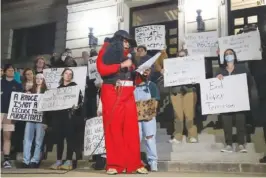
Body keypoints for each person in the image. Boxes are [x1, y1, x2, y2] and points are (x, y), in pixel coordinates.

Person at [96, 30, 148, 175]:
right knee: (114, 129)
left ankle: (134, 164)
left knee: (131, 129)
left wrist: (142, 75)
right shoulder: (106, 50)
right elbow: (102, 69)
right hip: (112, 91)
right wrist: (120, 66)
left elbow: (135, 79)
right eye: (125, 41)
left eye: (129, 42)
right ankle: (114, 164)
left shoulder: (131, 56)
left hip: (128, 92)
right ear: (118, 41)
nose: (127, 44)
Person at [216, 48, 252, 153]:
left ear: (234, 56)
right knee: (226, 123)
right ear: (224, 57)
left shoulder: (242, 68)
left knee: (240, 122)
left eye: (230, 53)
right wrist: (217, 78)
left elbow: (249, 82)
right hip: (225, 102)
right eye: (226, 54)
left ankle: (241, 144)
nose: (228, 55)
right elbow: (214, 85)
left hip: (239, 100)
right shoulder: (220, 70)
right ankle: (228, 144)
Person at [50, 68, 83, 170]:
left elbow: (80, 102)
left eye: (70, 74)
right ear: (62, 75)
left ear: (72, 77)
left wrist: (77, 106)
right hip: (59, 117)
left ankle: (68, 160)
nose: (68, 75)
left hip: (70, 117)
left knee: (70, 139)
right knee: (59, 139)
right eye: (66, 73)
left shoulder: (75, 87)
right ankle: (58, 160)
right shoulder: (58, 88)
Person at [134, 70, 160, 171]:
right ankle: (135, 162)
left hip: (149, 117)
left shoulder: (152, 85)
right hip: (135, 117)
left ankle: (153, 162)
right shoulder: (133, 87)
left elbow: (156, 101)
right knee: (136, 139)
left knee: (150, 138)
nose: (145, 73)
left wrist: (151, 113)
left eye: (147, 71)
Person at [22, 74, 48, 168]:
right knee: (27, 139)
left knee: (38, 140)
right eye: (37, 78)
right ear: (34, 79)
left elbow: (49, 108)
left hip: (41, 119)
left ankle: (35, 160)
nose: (38, 80)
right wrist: (26, 94)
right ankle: (26, 160)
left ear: (44, 80)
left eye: (41, 78)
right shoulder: (30, 90)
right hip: (30, 117)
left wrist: (46, 122)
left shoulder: (47, 91)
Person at [1, 64, 23, 168]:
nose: (11, 72)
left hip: (9, 114)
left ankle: (6, 159)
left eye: (12, 71)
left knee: (7, 137)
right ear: (5, 72)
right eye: (9, 70)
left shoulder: (18, 85)